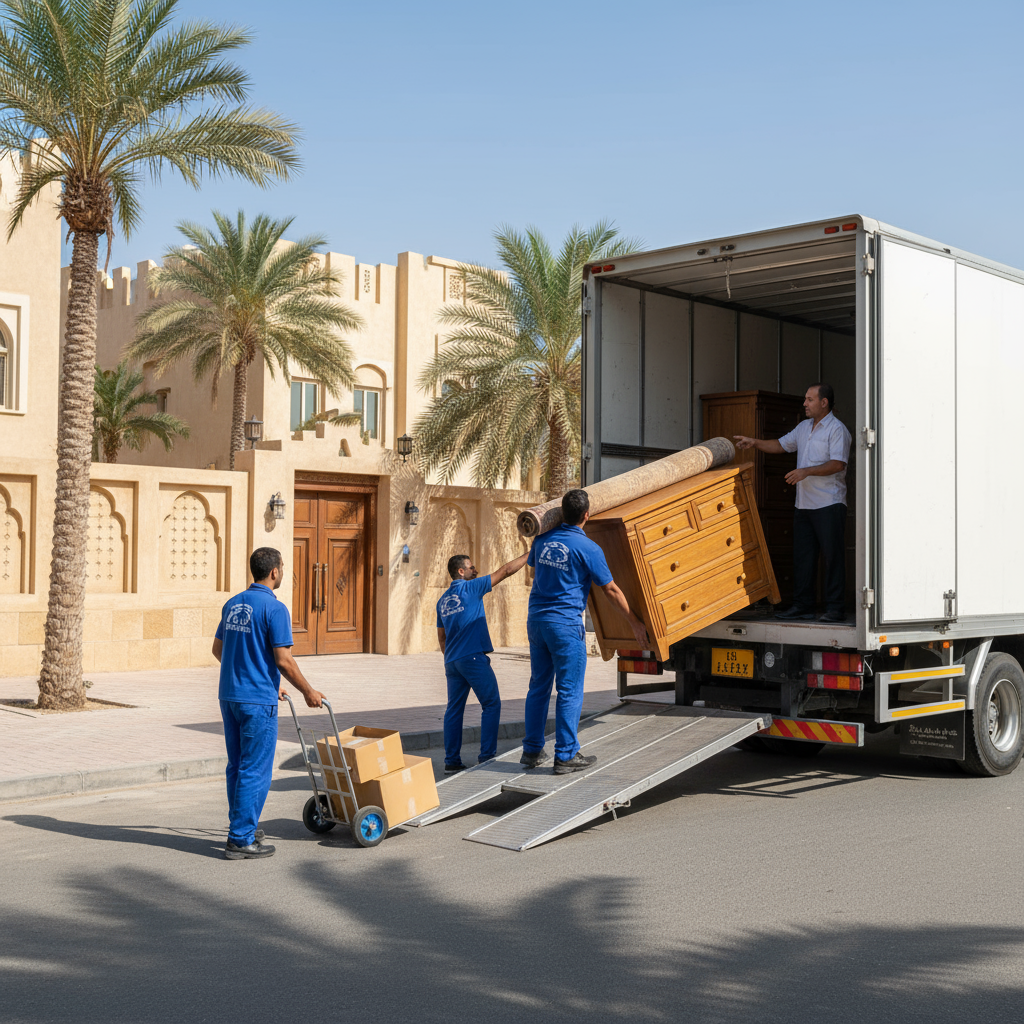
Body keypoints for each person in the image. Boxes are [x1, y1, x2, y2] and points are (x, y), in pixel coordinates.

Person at [521, 489, 650, 775]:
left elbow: (532, 571)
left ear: (561, 513)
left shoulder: (541, 540)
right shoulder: (588, 548)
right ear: (587, 515)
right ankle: (565, 755)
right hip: (565, 625)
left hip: (537, 621)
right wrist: (634, 622)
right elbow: (611, 590)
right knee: (569, 690)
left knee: (538, 687)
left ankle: (531, 751)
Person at [213, 546, 324, 860]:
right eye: (283, 567)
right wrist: (308, 692)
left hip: (230, 696)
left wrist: (249, 674)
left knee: (237, 765)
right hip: (256, 702)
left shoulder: (233, 604)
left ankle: (241, 827)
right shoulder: (275, 610)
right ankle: (240, 838)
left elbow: (218, 650)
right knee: (255, 769)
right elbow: (285, 661)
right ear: (275, 571)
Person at [734, 382, 852, 623]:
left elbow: (838, 464)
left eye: (809, 399)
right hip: (804, 505)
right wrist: (755, 442)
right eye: (805, 399)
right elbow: (779, 444)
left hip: (829, 504)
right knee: (804, 558)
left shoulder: (837, 430)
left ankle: (834, 608)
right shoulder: (803, 427)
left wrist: (805, 471)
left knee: (832, 558)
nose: (804, 403)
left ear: (824, 402)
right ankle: (803, 606)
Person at [436, 549, 531, 773]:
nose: (475, 570)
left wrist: (453, 657)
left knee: (453, 710)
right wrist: (531, 551)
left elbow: (442, 638)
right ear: (461, 571)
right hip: (473, 658)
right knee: (491, 704)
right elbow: (506, 570)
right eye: (471, 567)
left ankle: (451, 761)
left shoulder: (442, 602)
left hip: (452, 661)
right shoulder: (472, 587)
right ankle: (487, 756)